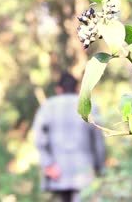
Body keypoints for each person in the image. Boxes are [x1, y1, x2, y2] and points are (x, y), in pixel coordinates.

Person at [32, 72, 106, 202]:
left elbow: (38, 137)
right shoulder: (90, 106)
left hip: (58, 171)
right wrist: (100, 167)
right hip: (85, 171)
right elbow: (98, 141)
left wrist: (48, 164)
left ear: (58, 89)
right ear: (78, 88)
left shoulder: (47, 106)